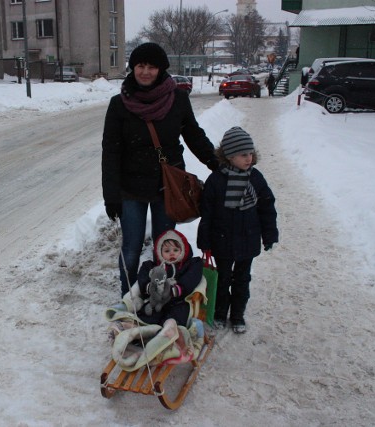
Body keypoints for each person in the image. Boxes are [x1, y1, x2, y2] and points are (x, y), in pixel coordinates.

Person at [101, 42, 218, 297]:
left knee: (165, 247)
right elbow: (110, 153)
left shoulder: (177, 99)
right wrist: (111, 195)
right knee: (131, 248)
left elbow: (194, 135)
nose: (145, 72)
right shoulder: (119, 104)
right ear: (133, 68)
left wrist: (217, 163)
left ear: (161, 69)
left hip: (168, 187)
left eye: (151, 67)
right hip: (131, 188)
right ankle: (129, 299)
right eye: (140, 66)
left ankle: (162, 295)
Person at [197, 127, 279, 334]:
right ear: (230, 156)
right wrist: (205, 242)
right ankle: (219, 313)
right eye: (243, 154)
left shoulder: (256, 178)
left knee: (242, 280)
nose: (249, 158)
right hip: (222, 240)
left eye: (250, 153)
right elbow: (207, 214)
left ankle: (237, 315)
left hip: (248, 240)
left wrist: (269, 235)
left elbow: (267, 208)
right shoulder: (216, 181)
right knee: (223, 279)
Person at [135, 229, 204, 328]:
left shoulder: (190, 265)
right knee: (147, 315)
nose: (172, 253)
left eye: (176, 250)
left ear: (183, 250)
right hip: (157, 301)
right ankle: (139, 329)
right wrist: (150, 287)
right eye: (167, 251)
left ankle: (167, 332)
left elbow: (191, 279)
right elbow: (143, 276)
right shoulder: (153, 267)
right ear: (159, 252)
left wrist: (176, 289)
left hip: (179, 301)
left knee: (175, 319)